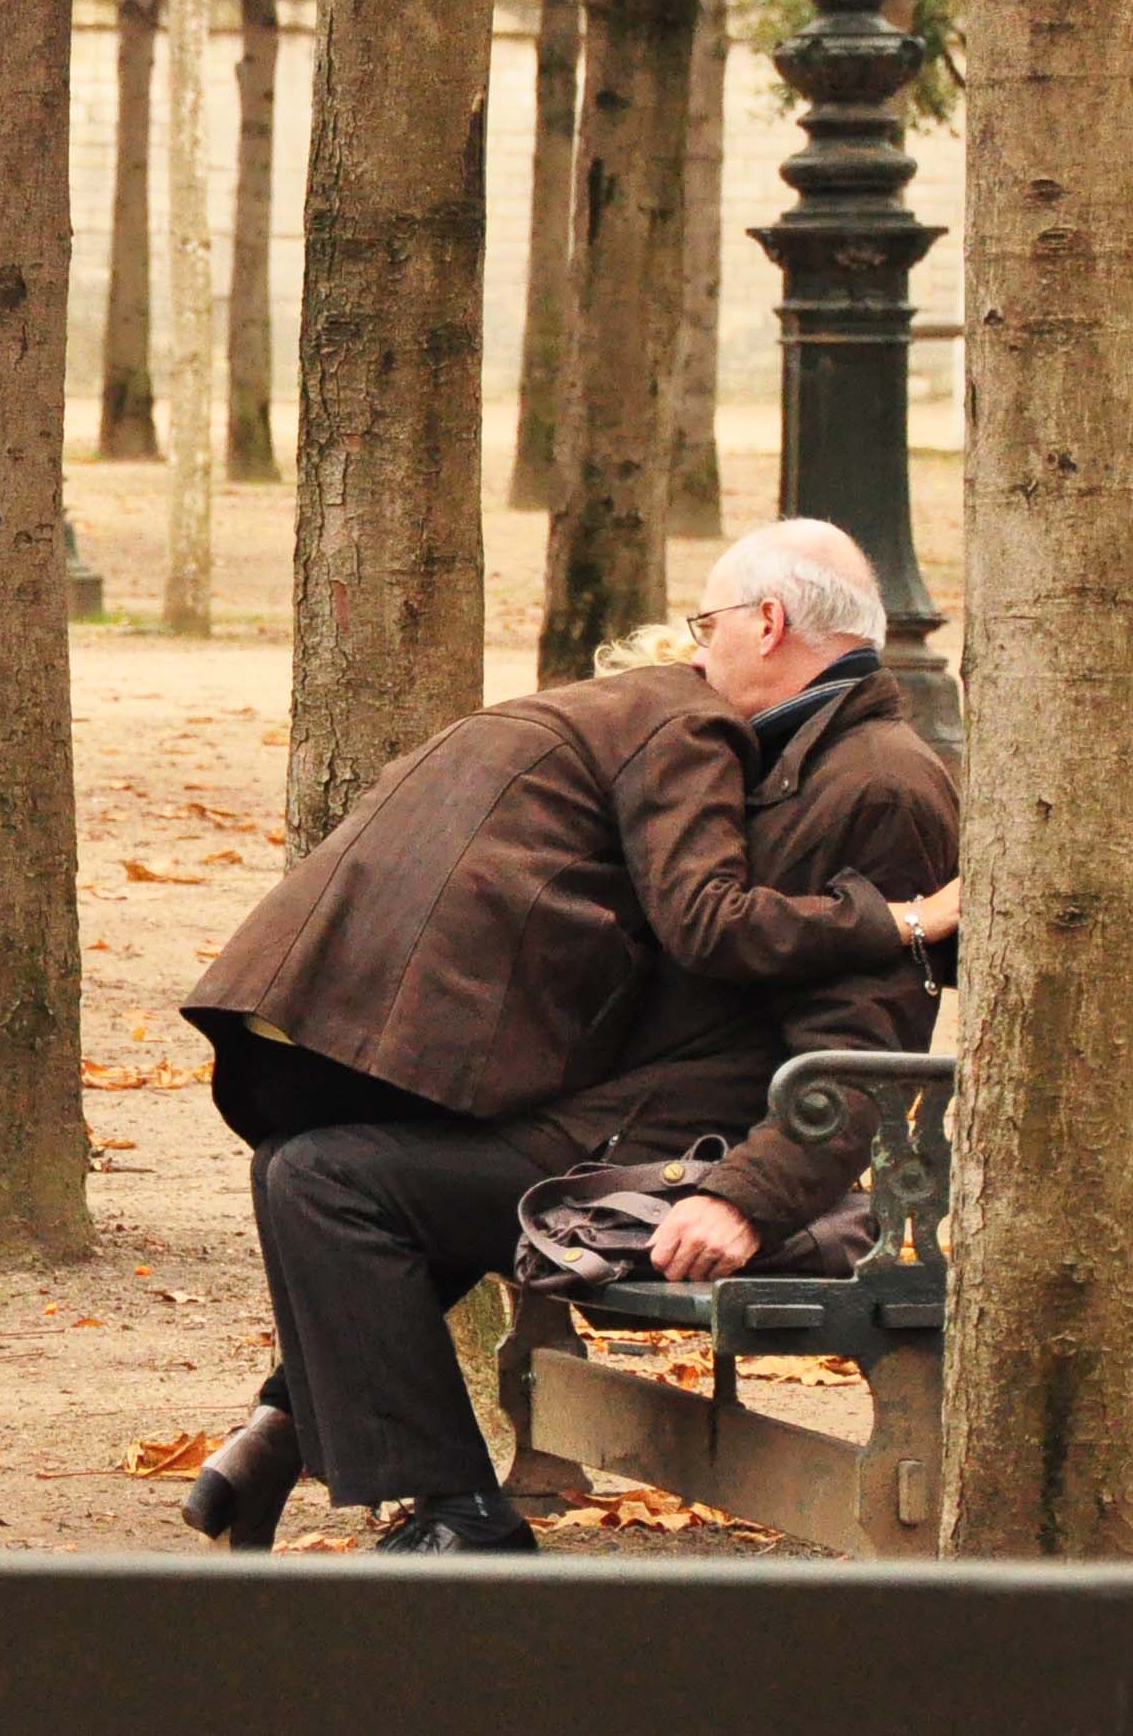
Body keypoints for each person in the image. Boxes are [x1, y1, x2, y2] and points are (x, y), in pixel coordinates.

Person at [179, 518, 961, 1553]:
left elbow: (862, 1050)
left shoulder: (878, 782)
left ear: (766, 622)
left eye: (707, 624)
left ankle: (457, 1517)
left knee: (329, 1181)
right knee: (311, 1161)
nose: (695, 651)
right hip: (622, 1106)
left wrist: (746, 1194)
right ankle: (304, 1434)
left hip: (682, 1141)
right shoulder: (786, 750)